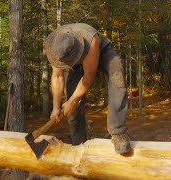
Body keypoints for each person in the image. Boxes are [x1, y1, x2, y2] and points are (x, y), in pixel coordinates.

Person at [44, 23, 130, 154]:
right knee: (72, 104)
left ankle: (118, 132)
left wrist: (72, 101)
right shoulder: (53, 46)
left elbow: (88, 78)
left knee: (116, 74)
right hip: (75, 64)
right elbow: (57, 77)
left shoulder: (91, 40)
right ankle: (79, 144)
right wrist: (56, 107)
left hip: (101, 52)